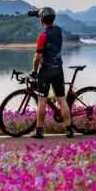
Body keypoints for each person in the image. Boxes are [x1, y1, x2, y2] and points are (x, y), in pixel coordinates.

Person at [31, 7, 74, 139]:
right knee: (62, 99)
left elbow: (37, 57)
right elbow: (49, 20)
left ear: (42, 20)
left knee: (42, 101)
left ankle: (39, 131)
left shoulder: (42, 35)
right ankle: (69, 130)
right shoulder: (59, 30)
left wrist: (34, 71)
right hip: (58, 68)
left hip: (46, 70)